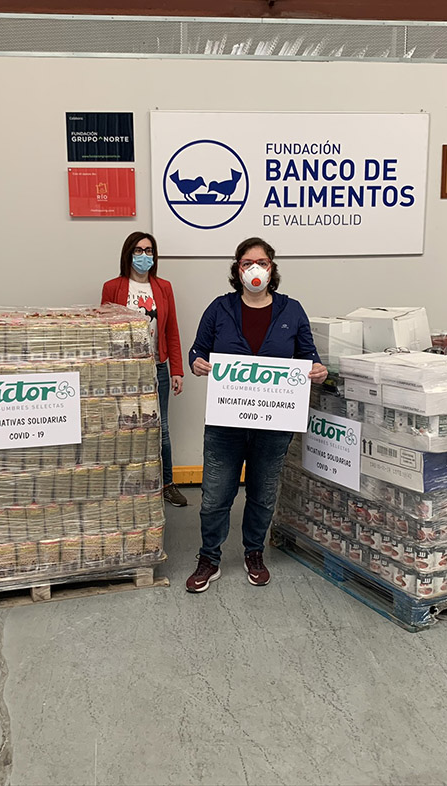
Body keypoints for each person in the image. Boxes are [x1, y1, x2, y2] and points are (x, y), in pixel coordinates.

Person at [186, 237, 327, 592]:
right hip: (226, 424)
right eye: (248, 262)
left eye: (262, 262)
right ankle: (209, 557)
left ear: (272, 268)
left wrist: (317, 369)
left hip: (273, 424)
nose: (255, 269)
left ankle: (254, 552)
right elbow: (197, 350)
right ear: (238, 269)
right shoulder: (220, 309)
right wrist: (197, 363)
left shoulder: (291, 310)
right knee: (216, 495)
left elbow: (308, 355)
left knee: (263, 494)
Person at [101, 231, 187, 507]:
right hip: (125, 371)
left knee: (161, 429)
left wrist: (177, 370)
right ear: (128, 254)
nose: (144, 256)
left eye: (149, 251)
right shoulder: (112, 287)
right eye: (138, 251)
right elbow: (105, 331)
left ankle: (167, 484)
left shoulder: (164, 288)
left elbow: (171, 331)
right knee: (125, 429)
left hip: (157, 368)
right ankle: (128, 485)